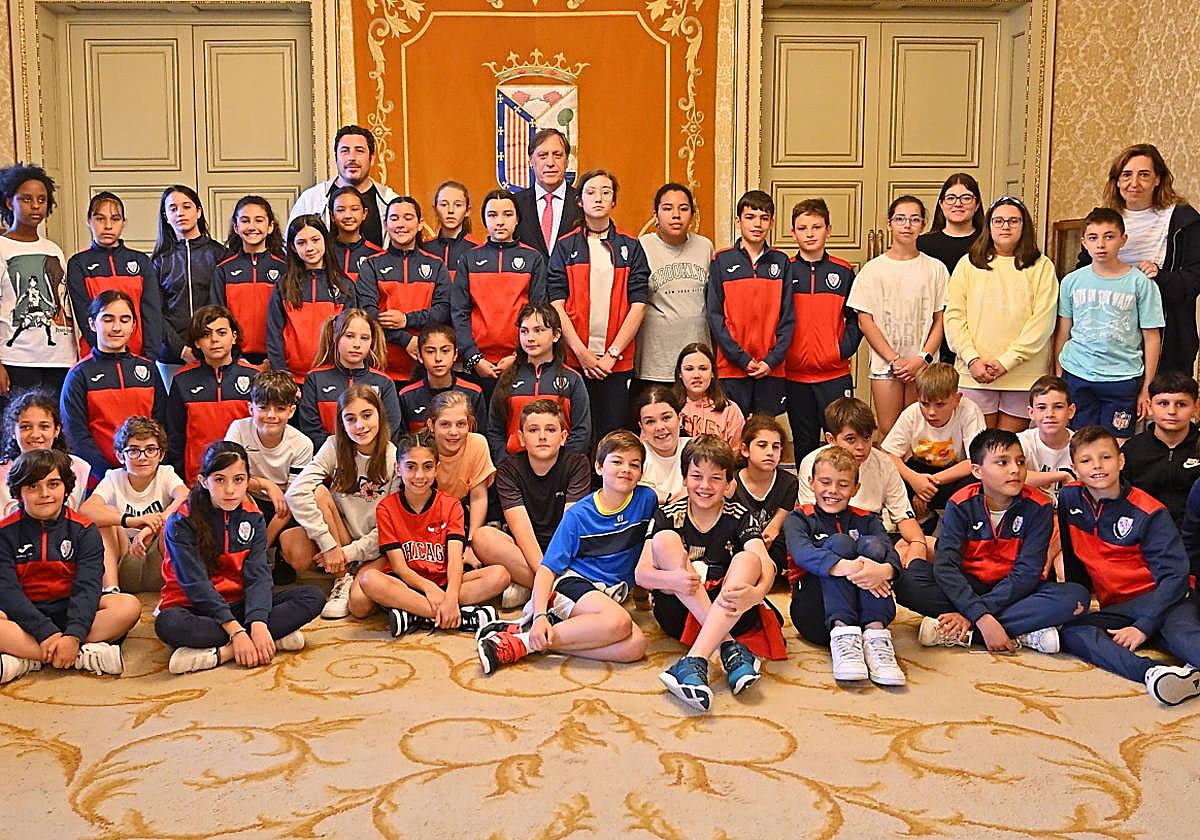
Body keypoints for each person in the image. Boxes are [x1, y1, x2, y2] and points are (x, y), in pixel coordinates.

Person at [894, 428, 1089, 654]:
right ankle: (1022, 631)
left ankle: (962, 631)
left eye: (1020, 462)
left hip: (1016, 590)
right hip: (969, 584)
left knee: (1076, 598)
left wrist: (975, 614)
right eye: (1002, 462)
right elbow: (946, 567)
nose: (1015, 469)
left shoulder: (1039, 506)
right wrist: (981, 615)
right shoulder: (959, 503)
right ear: (977, 471)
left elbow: (1027, 573)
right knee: (907, 583)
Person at [475, 430, 656, 673]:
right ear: (599, 467)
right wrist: (539, 614)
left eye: (634, 464)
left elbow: (647, 542)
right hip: (573, 583)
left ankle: (532, 640)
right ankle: (523, 639)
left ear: (642, 473)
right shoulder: (578, 515)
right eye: (617, 462)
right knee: (619, 622)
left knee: (635, 647)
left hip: (608, 592)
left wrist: (642, 596)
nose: (626, 469)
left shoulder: (646, 499)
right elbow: (547, 570)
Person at [154, 440, 324, 675]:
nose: (230, 490)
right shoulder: (182, 521)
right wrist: (236, 631)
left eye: (238, 480)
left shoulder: (253, 517)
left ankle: (225, 650)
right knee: (168, 624)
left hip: (239, 603)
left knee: (313, 596)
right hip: (195, 606)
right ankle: (261, 642)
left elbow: (258, 575)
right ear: (203, 481)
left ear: (247, 481)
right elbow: (195, 585)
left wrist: (258, 622)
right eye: (219, 480)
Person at [1059, 426, 1200, 706]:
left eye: (1105, 457)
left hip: (1166, 598)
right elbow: (1072, 556)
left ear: (1120, 461)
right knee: (1073, 631)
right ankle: (1154, 673)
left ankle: (1186, 662)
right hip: (1119, 606)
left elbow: (1175, 577)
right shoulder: (1068, 498)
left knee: (1182, 639)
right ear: (1074, 468)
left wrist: (1144, 626)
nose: (1097, 466)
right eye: (1086, 460)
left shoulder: (1149, 511)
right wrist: (1078, 600)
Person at [641, 435, 782, 711]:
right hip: (678, 610)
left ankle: (695, 659)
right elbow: (641, 573)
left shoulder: (740, 514)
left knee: (748, 559)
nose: (705, 486)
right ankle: (730, 648)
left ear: (729, 484)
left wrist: (756, 593)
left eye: (715, 479)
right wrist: (672, 579)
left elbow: (766, 564)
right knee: (665, 540)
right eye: (696, 476)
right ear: (684, 478)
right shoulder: (667, 514)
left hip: (731, 607)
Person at [0, 449, 140, 684]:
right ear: (19, 492)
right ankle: (76, 655)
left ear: (66, 488)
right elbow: (7, 592)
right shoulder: (4, 532)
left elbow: (88, 587)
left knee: (128, 606)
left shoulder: (84, 530)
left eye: (53, 484)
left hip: (72, 610)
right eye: (33, 486)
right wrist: (45, 631)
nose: (44, 494)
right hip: (23, 617)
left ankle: (29, 657)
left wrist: (74, 633)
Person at [356, 432, 505, 635]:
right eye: (411, 467)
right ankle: (458, 617)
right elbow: (399, 567)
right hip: (407, 585)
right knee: (369, 579)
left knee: (500, 575)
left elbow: (455, 560)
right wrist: (428, 588)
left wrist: (451, 596)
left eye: (427, 467)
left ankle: (415, 615)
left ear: (437, 469)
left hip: (445, 582)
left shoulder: (451, 505)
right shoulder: (386, 508)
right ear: (397, 469)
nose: (419, 476)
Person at [783, 445, 906, 685]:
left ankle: (876, 635)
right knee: (840, 543)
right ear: (811, 482)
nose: (833, 491)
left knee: (873, 545)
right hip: (816, 614)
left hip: (866, 611)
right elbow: (802, 553)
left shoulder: (867, 519)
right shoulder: (799, 518)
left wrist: (883, 571)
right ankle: (843, 633)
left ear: (855, 488)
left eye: (843, 484)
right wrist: (848, 567)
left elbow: (891, 553)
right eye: (825, 482)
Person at [1078, 144, 1200, 376]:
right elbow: (1084, 272)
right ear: (1116, 181)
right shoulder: (1103, 220)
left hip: (1168, 335)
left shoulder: (1184, 220)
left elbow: (1194, 280)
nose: (1134, 183)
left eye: (1144, 175)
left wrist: (1160, 277)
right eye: (1126, 175)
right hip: (1107, 335)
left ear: (1158, 179)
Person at [548, 169, 650, 440]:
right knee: (575, 435)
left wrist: (612, 354)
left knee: (613, 436)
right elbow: (556, 303)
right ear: (579, 201)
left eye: (606, 192)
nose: (599, 198)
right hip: (574, 359)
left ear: (614, 201)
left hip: (616, 362)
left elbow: (639, 305)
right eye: (591, 192)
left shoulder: (631, 246)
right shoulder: (565, 246)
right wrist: (581, 352)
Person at [283, 384, 399, 620]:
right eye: (350, 419)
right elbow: (295, 492)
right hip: (341, 537)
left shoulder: (394, 457)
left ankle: (373, 583)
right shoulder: (334, 446)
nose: (360, 426)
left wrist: (346, 553)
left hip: (377, 546)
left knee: (360, 606)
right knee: (317, 494)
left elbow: (391, 527)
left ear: (379, 414)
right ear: (341, 422)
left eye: (367, 415)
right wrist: (329, 546)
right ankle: (342, 578)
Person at [944, 196, 1058, 432]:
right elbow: (954, 317)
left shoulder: (1041, 266)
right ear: (989, 225)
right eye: (998, 221)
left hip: (1022, 375)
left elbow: (1043, 322)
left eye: (1013, 221)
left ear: (1024, 226)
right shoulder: (968, 264)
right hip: (975, 373)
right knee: (977, 446)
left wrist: (1007, 362)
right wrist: (972, 359)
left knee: (1009, 447)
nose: (1006, 226)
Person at [1054, 207, 1164, 438]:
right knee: (1078, 440)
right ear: (1084, 242)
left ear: (1123, 239)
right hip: (1077, 373)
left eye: (1109, 236)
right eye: (1093, 238)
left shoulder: (1141, 283)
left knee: (1116, 443)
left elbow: (1152, 337)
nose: (1101, 245)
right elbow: (1063, 330)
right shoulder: (1071, 281)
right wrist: (1058, 372)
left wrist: (1147, 386)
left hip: (1122, 378)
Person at [848, 195, 949, 437]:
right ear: (889, 223)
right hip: (886, 364)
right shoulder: (873, 269)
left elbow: (941, 319)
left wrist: (921, 358)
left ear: (923, 225)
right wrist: (894, 359)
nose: (907, 225)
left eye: (914, 219)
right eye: (900, 219)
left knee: (921, 430)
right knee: (889, 431)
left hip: (922, 364)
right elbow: (865, 320)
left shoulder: (935, 268)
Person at [797, 397, 928, 566]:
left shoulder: (884, 463)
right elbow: (812, 520)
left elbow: (903, 516)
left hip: (872, 534)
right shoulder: (812, 462)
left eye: (866, 438)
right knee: (839, 546)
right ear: (831, 439)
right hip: (829, 537)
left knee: (928, 546)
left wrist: (918, 544)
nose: (861, 447)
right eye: (851, 439)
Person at [489, 399, 592, 608]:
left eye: (551, 429)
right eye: (533, 430)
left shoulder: (577, 464)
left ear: (563, 437)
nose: (542, 436)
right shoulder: (508, 469)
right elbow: (522, 531)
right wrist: (544, 575)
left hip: (564, 548)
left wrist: (548, 571)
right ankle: (556, 591)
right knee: (484, 537)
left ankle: (530, 585)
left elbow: (569, 528)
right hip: (524, 550)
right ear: (521, 438)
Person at [61, 291, 167, 483]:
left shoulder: (149, 369)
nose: (117, 327)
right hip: (99, 481)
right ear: (92, 324)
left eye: (125, 320)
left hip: (147, 477)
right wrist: (109, 475)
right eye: (108, 319)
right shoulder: (79, 374)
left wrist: (147, 467)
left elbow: (162, 424)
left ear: (133, 325)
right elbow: (75, 436)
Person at [452, 189, 546, 405]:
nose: (500, 221)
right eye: (493, 215)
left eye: (507, 214)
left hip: (521, 362)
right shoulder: (468, 259)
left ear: (517, 219)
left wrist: (518, 356)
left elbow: (538, 314)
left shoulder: (533, 259)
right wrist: (474, 357)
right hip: (476, 365)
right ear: (484, 220)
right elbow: (459, 312)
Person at [706, 190, 794, 417]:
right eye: (750, 217)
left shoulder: (781, 262)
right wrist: (741, 358)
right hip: (732, 367)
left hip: (770, 368)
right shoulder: (721, 260)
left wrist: (772, 360)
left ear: (772, 223)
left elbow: (788, 318)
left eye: (764, 218)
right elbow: (714, 316)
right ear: (738, 221)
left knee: (765, 430)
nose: (757, 224)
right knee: (732, 429)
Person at [785, 198, 860, 457]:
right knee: (803, 443)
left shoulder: (844, 271)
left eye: (816, 227)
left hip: (834, 375)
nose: (810, 234)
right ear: (793, 233)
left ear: (828, 229)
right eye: (802, 228)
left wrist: (841, 349)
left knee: (841, 442)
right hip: (795, 377)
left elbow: (856, 319)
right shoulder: (785, 270)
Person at [79, 415, 187, 595]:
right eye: (134, 451)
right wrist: (132, 521)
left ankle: (177, 591)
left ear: (160, 455)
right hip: (124, 558)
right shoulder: (113, 478)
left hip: (157, 558)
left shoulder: (166, 474)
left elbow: (186, 497)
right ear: (120, 456)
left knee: (174, 523)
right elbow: (86, 511)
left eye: (150, 450)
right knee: (104, 518)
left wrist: (151, 527)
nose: (142, 457)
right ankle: (110, 590)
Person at [224, 368, 314, 574]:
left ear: (291, 411)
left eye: (280, 408)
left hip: (284, 505)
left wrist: (262, 545)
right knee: (236, 492)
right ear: (251, 408)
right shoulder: (238, 429)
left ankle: (271, 552)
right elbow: (229, 478)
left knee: (300, 559)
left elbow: (292, 500)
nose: (271, 415)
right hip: (249, 496)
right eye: (263, 407)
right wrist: (267, 485)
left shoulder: (302, 444)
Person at [355, 196, 450, 383]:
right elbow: (368, 314)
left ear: (420, 224)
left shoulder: (437, 265)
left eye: (408, 218)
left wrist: (407, 319)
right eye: (394, 218)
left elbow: (443, 310)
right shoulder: (371, 265)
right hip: (380, 368)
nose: (401, 224)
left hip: (427, 369)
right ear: (386, 224)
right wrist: (405, 339)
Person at [0, 162, 76, 399]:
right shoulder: (2, 248)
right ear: (9, 202)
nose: (35, 206)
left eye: (41, 200)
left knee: (56, 421)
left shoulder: (53, 249)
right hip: (16, 360)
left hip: (60, 359)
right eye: (26, 199)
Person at [881, 362, 985, 526]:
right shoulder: (912, 413)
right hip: (919, 471)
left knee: (978, 478)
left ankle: (956, 521)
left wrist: (929, 482)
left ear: (957, 399)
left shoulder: (969, 411)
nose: (931, 412)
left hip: (953, 474)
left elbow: (977, 460)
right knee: (890, 472)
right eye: (925, 404)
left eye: (940, 405)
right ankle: (916, 517)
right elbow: (888, 454)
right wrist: (915, 480)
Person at [487, 302, 590, 464]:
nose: (530, 338)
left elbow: (581, 431)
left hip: (561, 468)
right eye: (524, 331)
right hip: (513, 467)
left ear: (556, 335)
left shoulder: (572, 379)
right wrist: (506, 464)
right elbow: (495, 430)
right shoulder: (507, 379)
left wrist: (564, 467)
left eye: (538, 330)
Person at [165, 306, 257, 483]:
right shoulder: (182, 380)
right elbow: (175, 437)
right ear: (197, 343)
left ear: (234, 337)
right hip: (197, 479)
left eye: (221, 333)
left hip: (244, 479)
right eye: (206, 334)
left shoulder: (255, 376)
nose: (214, 339)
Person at [635, 183, 713, 391]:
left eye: (684, 208)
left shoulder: (705, 246)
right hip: (654, 361)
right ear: (656, 215)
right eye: (668, 208)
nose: (676, 215)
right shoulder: (641, 246)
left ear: (692, 214)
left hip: (696, 359)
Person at [66, 191, 162, 360]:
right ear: (89, 221)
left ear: (123, 223)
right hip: (95, 357)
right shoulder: (78, 263)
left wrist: (150, 357)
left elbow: (152, 314)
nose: (108, 226)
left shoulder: (141, 261)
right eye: (100, 219)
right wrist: (103, 352)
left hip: (138, 356)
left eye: (115, 219)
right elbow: (84, 316)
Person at [267, 215, 357, 383]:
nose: (309, 248)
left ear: (325, 241)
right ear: (293, 247)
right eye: (301, 243)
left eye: (315, 240)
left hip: (334, 377)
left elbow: (352, 334)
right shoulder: (283, 286)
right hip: (292, 379)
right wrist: (283, 377)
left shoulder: (345, 285)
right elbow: (274, 335)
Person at [296, 308, 403, 451]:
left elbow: (390, 428)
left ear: (372, 341)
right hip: (328, 457)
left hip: (373, 458)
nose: (357, 344)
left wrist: (364, 452)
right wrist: (342, 452)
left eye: (364, 338)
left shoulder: (384, 383)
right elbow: (310, 429)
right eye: (350, 336)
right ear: (336, 337)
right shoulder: (315, 379)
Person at [151, 185, 226, 380]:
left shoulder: (220, 255)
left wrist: (210, 342)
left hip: (213, 352)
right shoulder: (159, 261)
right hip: (171, 356)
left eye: (186, 206)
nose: (180, 213)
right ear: (166, 216)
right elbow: (155, 312)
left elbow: (224, 306)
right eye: (173, 208)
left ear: (198, 212)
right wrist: (181, 350)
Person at [287, 124, 399, 248]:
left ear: (371, 158)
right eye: (345, 151)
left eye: (359, 151)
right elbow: (289, 246)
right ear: (336, 158)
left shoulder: (390, 201)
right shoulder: (311, 199)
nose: (352, 158)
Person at [211, 195, 288, 365]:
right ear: (236, 227)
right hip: (234, 360)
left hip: (275, 359)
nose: (252, 226)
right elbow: (218, 318)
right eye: (245, 221)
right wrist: (234, 357)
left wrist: (275, 358)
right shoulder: (223, 270)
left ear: (270, 226)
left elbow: (290, 318)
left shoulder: (285, 269)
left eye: (259, 220)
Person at [919, 173, 984, 364]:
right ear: (941, 204)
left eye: (966, 198)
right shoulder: (922, 244)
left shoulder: (988, 244)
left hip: (975, 333)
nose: (958, 204)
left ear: (977, 205)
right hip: (930, 332)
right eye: (951, 198)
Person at [1119, 371, 1200, 524]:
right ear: (1149, 406)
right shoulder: (1132, 450)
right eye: (1163, 403)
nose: (1172, 411)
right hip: (1145, 530)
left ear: (1196, 407)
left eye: (1181, 404)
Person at [0, 390, 91, 515]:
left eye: (44, 427)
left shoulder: (80, 468)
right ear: (12, 431)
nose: (35, 434)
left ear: (57, 430)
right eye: (26, 427)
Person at [731, 415, 798, 578]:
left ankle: (769, 572)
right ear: (745, 449)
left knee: (792, 534)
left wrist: (765, 539)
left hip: (771, 544)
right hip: (740, 542)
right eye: (762, 445)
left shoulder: (789, 482)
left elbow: (775, 526)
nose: (770, 452)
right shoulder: (731, 482)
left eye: (776, 447)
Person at [397, 323, 485, 432]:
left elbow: (481, 437)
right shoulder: (406, 396)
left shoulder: (473, 393)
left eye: (445, 351)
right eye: (430, 351)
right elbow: (402, 438)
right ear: (419, 356)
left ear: (455, 354)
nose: (438, 358)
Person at [513, 128, 583, 256]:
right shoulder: (515, 204)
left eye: (557, 155)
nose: (550, 163)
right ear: (531, 161)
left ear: (567, 161)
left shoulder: (583, 203)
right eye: (543, 156)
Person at [1017, 375, 1077, 504]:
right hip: (1031, 510)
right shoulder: (1021, 442)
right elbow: (1010, 476)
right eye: (1042, 407)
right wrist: (1063, 475)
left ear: (1071, 411)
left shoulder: (1083, 444)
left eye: (1058, 407)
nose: (1050, 414)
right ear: (1031, 412)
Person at [675, 343, 744, 446]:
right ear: (680, 373)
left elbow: (736, 452)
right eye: (689, 369)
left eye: (703, 368)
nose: (696, 375)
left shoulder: (730, 410)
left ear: (712, 372)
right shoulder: (669, 407)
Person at [635, 385, 688, 504]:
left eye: (666, 418)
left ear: (680, 419)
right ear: (641, 427)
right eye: (650, 422)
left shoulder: (696, 448)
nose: (659, 427)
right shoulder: (635, 455)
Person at [327, 186, 384, 286]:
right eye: (341, 210)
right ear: (332, 216)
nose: (348, 216)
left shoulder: (378, 255)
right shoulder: (324, 252)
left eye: (354, 209)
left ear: (364, 213)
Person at [427, 180, 478, 282]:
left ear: (467, 211)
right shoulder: (424, 249)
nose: (450, 210)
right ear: (435, 209)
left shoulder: (477, 250)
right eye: (444, 204)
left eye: (458, 205)